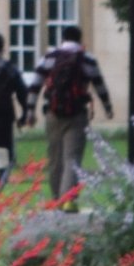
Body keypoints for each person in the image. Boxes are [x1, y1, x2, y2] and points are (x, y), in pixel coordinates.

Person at [36, 26, 111, 200]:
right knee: (72, 158)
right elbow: (99, 85)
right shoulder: (87, 59)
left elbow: (35, 85)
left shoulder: (49, 57)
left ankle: (56, 197)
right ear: (80, 39)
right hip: (77, 113)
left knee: (55, 158)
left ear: (62, 38)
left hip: (53, 113)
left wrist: (30, 111)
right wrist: (107, 107)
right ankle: (67, 199)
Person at [0, 32, 28, 168]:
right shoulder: (9, 67)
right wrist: (25, 114)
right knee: (5, 151)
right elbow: (23, 92)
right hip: (4, 112)